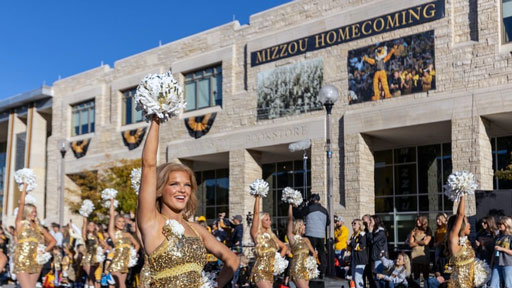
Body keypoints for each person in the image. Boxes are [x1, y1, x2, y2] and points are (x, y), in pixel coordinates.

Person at [137, 116, 239, 287]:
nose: (182, 190)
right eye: (174, 184)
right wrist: (156, 119)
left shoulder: (197, 230)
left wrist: (215, 284)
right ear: (160, 189)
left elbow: (232, 259)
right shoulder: (152, 222)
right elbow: (148, 166)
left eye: (187, 185)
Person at [15, 184, 57, 288]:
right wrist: (24, 188)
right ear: (27, 212)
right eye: (32, 212)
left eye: (35, 212)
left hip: (36, 261)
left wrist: (44, 251)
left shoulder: (39, 227)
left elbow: (53, 241)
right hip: (22, 260)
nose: (34, 214)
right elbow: (21, 205)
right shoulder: (20, 223)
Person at [250, 194, 287, 288]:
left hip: (270, 271)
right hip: (260, 270)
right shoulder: (256, 234)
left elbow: (284, 247)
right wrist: (258, 197)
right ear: (261, 221)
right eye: (266, 220)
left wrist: (278, 260)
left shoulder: (272, 236)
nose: (269, 222)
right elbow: (256, 213)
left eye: (269, 219)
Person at [107, 198, 140, 288]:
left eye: (123, 221)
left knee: (121, 285)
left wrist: (133, 254)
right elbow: (111, 215)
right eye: (119, 221)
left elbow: (137, 245)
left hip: (125, 263)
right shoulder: (113, 234)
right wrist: (112, 202)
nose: (121, 223)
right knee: (121, 285)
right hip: (116, 263)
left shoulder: (128, 234)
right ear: (115, 223)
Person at [298, 194, 329, 277]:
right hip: (321, 234)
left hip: (310, 233)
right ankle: (322, 272)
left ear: (312, 199)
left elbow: (299, 214)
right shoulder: (324, 210)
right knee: (321, 253)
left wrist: (302, 206)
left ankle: (310, 270)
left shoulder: (309, 208)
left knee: (310, 253)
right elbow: (328, 222)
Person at [446, 195, 474, 288]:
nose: (470, 225)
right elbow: (460, 214)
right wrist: (463, 194)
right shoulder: (454, 238)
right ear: (461, 225)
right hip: (459, 283)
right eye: (467, 222)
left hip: (468, 282)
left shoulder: (465, 240)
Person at [287, 203, 317, 288]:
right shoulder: (293, 239)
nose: (305, 226)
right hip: (297, 268)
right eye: (304, 224)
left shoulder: (306, 240)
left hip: (306, 268)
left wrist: (311, 263)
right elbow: (290, 220)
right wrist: (290, 206)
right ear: (299, 226)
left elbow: (314, 253)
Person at [81, 216, 107, 288]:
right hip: (88, 259)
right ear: (87, 226)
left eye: (93, 225)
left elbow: (105, 246)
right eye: (90, 225)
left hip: (96, 259)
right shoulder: (86, 235)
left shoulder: (97, 236)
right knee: (92, 277)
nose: (92, 226)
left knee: (90, 278)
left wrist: (101, 253)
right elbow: (83, 231)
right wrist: (85, 221)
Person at [408, 215, 432, 287]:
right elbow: (410, 244)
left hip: (424, 255)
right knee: (416, 276)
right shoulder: (414, 230)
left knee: (425, 275)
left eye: (419, 220)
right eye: (417, 220)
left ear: (423, 221)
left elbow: (426, 242)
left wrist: (416, 242)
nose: (417, 221)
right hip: (415, 255)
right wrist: (420, 242)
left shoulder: (428, 230)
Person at [489, 216, 512, 288]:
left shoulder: (510, 237)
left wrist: (502, 249)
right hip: (497, 264)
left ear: (507, 224)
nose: (498, 225)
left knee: (508, 285)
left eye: (501, 224)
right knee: (493, 285)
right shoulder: (498, 237)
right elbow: (495, 251)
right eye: (498, 223)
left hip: (508, 264)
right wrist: (491, 263)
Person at [348, 219, 368, 288]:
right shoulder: (353, 235)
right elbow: (350, 247)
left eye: (355, 223)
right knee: (353, 278)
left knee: (357, 277)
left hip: (360, 259)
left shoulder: (362, 234)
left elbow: (361, 246)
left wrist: (351, 243)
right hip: (354, 258)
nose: (353, 225)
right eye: (352, 223)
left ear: (359, 225)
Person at [369, 215, 388, 288]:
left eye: (371, 220)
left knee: (378, 277)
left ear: (376, 221)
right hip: (375, 257)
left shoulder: (381, 232)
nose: (370, 222)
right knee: (375, 277)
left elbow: (371, 241)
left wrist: (370, 231)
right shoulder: (376, 231)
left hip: (379, 257)